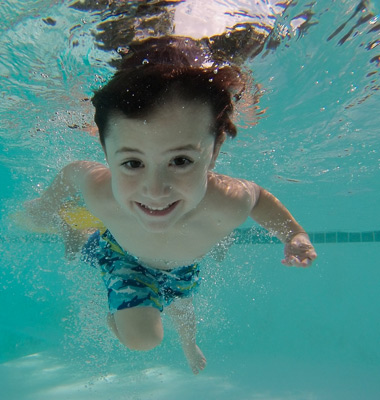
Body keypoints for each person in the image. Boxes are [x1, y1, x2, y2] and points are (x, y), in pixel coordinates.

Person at [19, 39, 317, 375]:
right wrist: (46, 205)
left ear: (214, 151)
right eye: (132, 163)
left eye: (180, 160)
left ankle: (189, 346)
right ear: (106, 154)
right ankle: (79, 235)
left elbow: (259, 199)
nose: (155, 190)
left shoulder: (228, 199)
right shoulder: (101, 192)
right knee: (143, 338)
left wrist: (294, 234)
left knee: (182, 306)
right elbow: (72, 173)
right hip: (123, 257)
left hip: (181, 266)